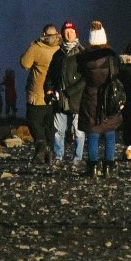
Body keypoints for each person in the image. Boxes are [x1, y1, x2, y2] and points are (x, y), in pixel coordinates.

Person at [77, 24, 124, 176]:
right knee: (110, 132)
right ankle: (108, 167)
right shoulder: (112, 57)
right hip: (109, 97)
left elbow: (80, 76)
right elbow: (118, 74)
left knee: (93, 133)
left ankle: (92, 168)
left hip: (90, 97)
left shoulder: (83, 58)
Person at [46, 22, 85, 168]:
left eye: (71, 32)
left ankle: (77, 158)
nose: (69, 34)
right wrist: (48, 89)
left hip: (76, 98)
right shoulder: (58, 55)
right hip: (59, 98)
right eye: (66, 32)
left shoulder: (82, 53)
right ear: (62, 34)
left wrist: (69, 92)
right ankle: (58, 157)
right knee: (58, 131)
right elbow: (51, 75)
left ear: (76, 33)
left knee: (79, 131)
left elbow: (85, 78)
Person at [19, 25, 61, 162]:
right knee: (49, 125)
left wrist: (31, 46)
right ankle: (50, 152)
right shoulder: (60, 49)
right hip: (54, 95)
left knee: (34, 122)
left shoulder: (37, 48)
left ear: (43, 33)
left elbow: (24, 64)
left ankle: (41, 147)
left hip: (37, 95)